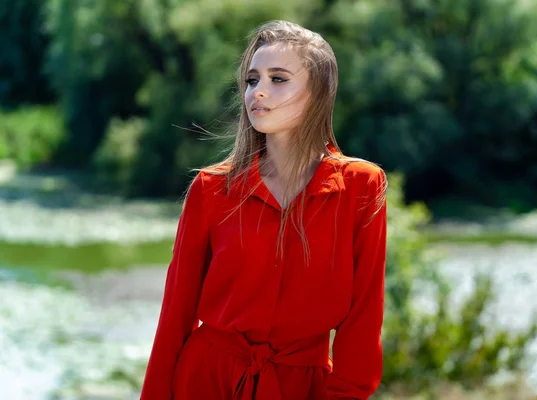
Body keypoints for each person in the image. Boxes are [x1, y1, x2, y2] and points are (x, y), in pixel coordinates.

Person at [140, 20, 388, 400]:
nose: (258, 92)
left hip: (302, 388)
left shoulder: (360, 187)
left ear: (318, 92)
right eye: (252, 80)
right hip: (206, 381)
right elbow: (175, 316)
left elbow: (363, 322)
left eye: (278, 78)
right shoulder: (211, 189)